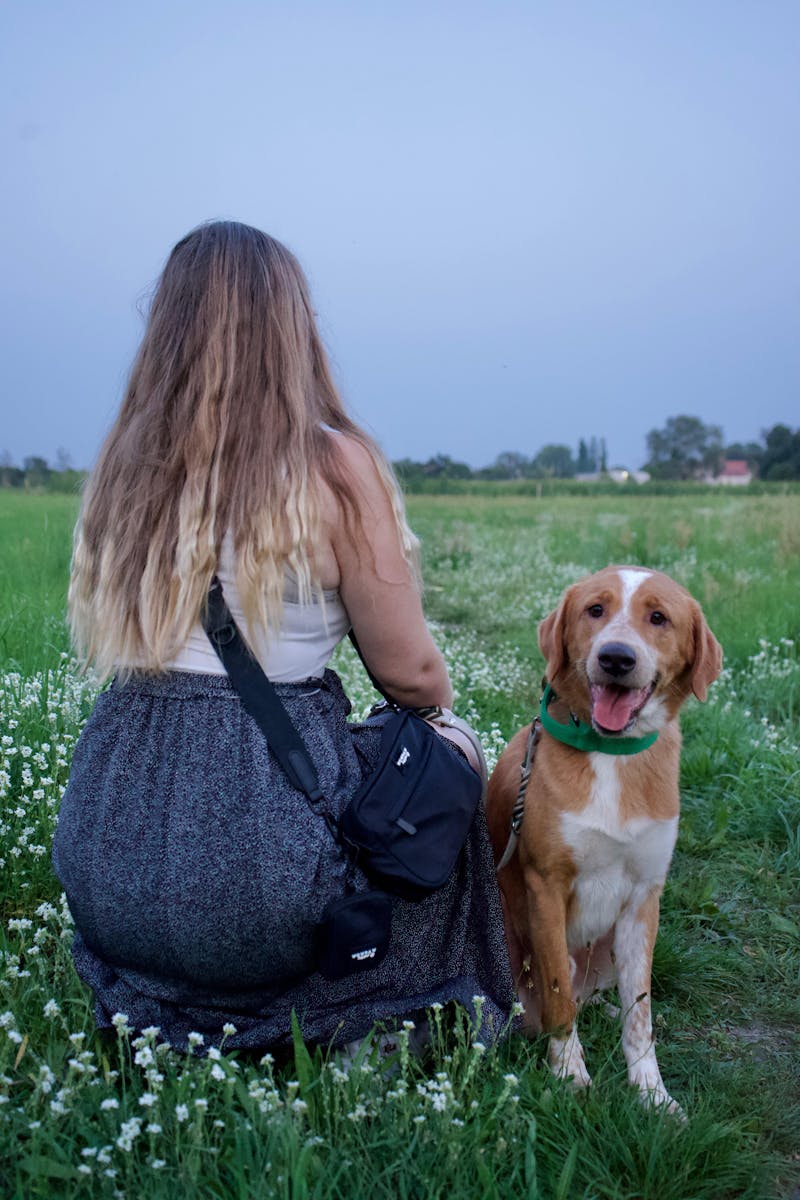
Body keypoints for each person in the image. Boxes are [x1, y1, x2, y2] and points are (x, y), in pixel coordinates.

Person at [52, 220, 514, 1054]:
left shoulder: (128, 460)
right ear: (291, 325)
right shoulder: (334, 466)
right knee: (444, 767)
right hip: (258, 876)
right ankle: (400, 997)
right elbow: (411, 674)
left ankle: (169, 999)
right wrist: (442, 724)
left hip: (106, 861)